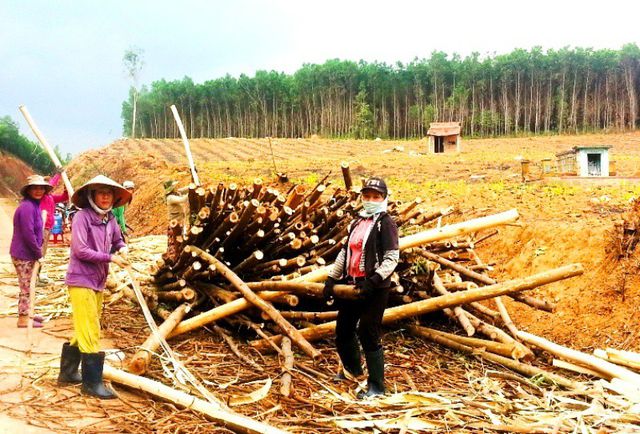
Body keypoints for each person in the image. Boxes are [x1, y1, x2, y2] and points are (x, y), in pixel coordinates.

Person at [323, 177, 399, 398]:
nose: (371, 200)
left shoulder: (386, 223)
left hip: (375, 288)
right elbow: (346, 253)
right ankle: (352, 371)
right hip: (352, 285)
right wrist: (331, 279)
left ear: (384, 198)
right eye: (367, 196)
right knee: (344, 330)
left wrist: (373, 280)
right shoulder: (357, 222)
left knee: (368, 331)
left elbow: (392, 258)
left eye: (376, 197)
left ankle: (377, 386)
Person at [57, 175, 131, 400]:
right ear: (91, 196)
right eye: (101, 192)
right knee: (90, 328)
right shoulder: (82, 217)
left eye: (109, 193)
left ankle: (68, 373)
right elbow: (80, 250)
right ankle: (91, 383)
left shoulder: (110, 219)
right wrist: (111, 258)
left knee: (86, 325)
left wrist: (123, 248)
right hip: (81, 279)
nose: (106, 197)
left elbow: (118, 240)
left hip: (97, 280)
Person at [10, 175, 52, 328]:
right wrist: (38, 254)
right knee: (26, 286)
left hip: (28, 253)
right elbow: (28, 234)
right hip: (23, 254)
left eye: (41, 188)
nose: (38, 191)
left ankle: (29, 312)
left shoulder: (34, 205)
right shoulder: (27, 207)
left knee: (29, 284)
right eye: (35, 188)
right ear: (28, 191)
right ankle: (23, 318)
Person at [38, 172, 69, 283]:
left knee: (43, 253)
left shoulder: (51, 197)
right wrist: (58, 174)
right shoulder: (42, 196)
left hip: (48, 228)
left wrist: (66, 187)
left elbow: (64, 197)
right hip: (42, 228)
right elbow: (51, 184)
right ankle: (35, 277)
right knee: (39, 253)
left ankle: (37, 275)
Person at [163, 180, 189, 263]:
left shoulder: (176, 192)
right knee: (174, 243)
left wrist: (193, 186)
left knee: (180, 239)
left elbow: (185, 189)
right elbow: (183, 199)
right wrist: (190, 193)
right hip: (175, 223)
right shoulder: (170, 198)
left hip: (180, 221)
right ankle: (173, 260)